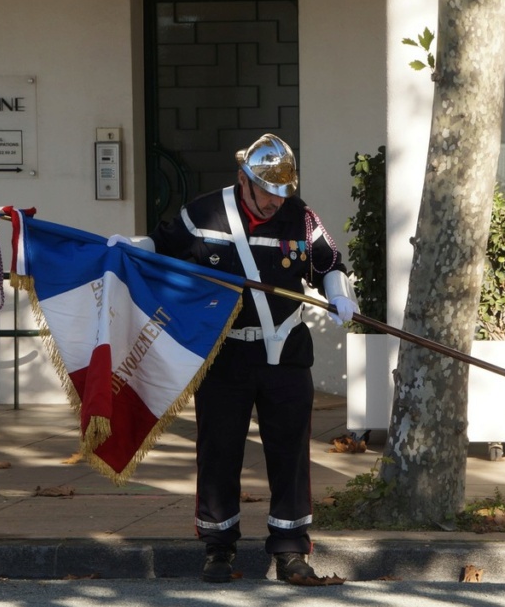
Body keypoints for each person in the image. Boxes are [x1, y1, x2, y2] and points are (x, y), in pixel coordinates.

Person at [108, 133, 357, 584]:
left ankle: (290, 548)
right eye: (266, 192)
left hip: (285, 350)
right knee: (219, 450)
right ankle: (218, 547)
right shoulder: (203, 213)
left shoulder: (301, 217)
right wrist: (129, 247)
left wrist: (339, 292)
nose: (274, 203)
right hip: (226, 354)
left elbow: (329, 261)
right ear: (243, 179)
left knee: (290, 451)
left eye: (282, 193)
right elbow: (161, 248)